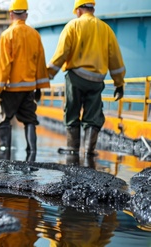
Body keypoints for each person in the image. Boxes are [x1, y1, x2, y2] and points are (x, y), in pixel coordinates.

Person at [48, 0, 126, 157]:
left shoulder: (73, 26)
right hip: (96, 81)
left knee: (72, 111)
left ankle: (73, 148)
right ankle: (89, 150)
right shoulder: (106, 29)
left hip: (75, 77)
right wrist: (119, 83)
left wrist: (47, 75)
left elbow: (61, 53)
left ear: (78, 10)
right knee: (93, 114)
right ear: (92, 9)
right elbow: (115, 59)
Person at [0, 0, 50, 161]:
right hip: (29, 88)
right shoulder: (35, 34)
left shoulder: (7, 35)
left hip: (10, 89)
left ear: (11, 15)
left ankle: (5, 152)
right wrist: (39, 87)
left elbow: (3, 65)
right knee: (30, 120)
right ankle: (32, 152)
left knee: (3, 119)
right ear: (26, 14)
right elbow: (40, 62)